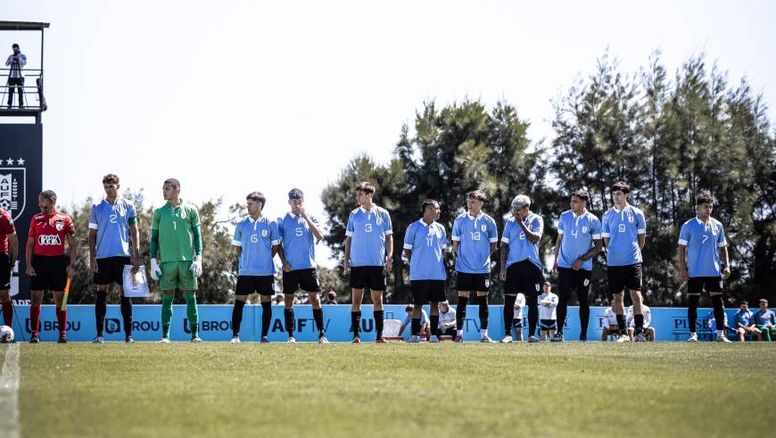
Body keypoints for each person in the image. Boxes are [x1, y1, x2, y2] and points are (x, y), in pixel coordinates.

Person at [88, 174, 140, 343]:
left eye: (111, 186)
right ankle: (99, 335)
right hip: (102, 257)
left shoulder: (128, 205)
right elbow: (92, 235)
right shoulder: (97, 207)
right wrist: (92, 257)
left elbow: (134, 231)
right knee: (101, 293)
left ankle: (128, 335)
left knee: (125, 294)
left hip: (122, 256)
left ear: (118, 186)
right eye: (106, 186)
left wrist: (136, 256)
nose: (108, 189)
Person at [149, 179, 203, 343]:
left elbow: (197, 235)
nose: (164, 192)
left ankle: (195, 335)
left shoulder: (191, 210)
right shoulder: (159, 212)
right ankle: (165, 336)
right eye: (163, 189)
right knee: (167, 298)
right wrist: (153, 261)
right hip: (167, 262)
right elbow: (154, 239)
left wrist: (199, 258)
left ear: (177, 189)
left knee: (190, 298)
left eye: (167, 189)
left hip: (187, 262)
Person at [678, 191, 732, 343]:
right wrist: (683, 269)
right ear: (698, 208)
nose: (708, 209)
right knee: (693, 303)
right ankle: (693, 335)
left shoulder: (718, 225)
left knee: (718, 303)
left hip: (713, 271)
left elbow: (723, 248)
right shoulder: (688, 225)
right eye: (705, 207)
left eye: (710, 206)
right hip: (694, 272)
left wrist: (727, 265)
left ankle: (720, 334)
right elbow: (681, 249)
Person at [343, 182, 393, 343]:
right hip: (358, 264)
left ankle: (379, 336)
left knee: (378, 300)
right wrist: (346, 259)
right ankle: (356, 335)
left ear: (369, 194)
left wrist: (390, 256)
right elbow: (348, 239)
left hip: (377, 264)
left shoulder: (383, 214)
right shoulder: (353, 214)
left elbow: (388, 237)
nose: (357, 197)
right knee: (356, 300)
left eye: (360, 194)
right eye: (357, 194)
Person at [277, 188, 328, 343]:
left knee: (315, 299)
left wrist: (306, 217)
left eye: (299, 202)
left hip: (308, 266)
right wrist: (284, 262)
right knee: (288, 300)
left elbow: (320, 235)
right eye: (294, 202)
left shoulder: (310, 217)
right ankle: (291, 336)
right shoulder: (282, 220)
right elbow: (278, 245)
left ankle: (321, 335)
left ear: (303, 202)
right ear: (289, 202)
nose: (297, 204)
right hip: (290, 268)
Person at [25, 190, 77, 343]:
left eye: (45, 207)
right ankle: (34, 334)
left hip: (57, 263)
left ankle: (62, 334)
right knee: (35, 299)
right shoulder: (36, 219)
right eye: (40, 206)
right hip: (39, 262)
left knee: (61, 300)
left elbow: (73, 245)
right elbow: (29, 245)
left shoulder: (64, 219)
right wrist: (28, 265)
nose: (42, 209)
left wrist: (72, 265)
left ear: (53, 202)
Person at [552, 189, 602, 342]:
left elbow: (598, 247)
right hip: (565, 265)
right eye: (571, 201)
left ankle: (583, 336)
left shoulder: (593, 220)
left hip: (583, 268)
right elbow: (559, 240)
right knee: (562, 299)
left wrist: (582, 260)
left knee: (583, 300)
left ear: (583, 203)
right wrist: (555, 260)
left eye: (575, 201)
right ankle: (559, 333)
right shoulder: (564, 217)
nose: (572, 204)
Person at [230, 192, 279, 344]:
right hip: (246, 272)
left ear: (259, 204)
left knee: (266, 302)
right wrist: (247, 260)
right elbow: (237, 248)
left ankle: (264, 336)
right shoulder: (241, 224)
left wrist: (264, 259)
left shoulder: (271, 223)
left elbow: (276, 246)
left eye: (250, 203)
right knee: (239, 302)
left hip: (266, 272)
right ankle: (235, 336)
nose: (248, 206)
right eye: (248, 203)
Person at [601, 181, 647, 343]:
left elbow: (641, 239)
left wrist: (633, 253)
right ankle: (623, 334)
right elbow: (606, 241)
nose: (616, 197)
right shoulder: (607, 215)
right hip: (614, 263)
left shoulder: (637, 213)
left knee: (636, 295)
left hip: (633, 261)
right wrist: (615, 253)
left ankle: (640, 332)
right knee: (617, 298)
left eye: (619, 194)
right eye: (614, 194)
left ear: (626, 195)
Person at [453, 190, 498, 343]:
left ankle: (484, 335)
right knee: (462, 300)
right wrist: (465, 258)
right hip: (464, 267)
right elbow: (455, 244)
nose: (470, 204)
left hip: (483, 269)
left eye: (473, 201)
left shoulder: (489, 221)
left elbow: (493, 245)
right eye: (468, 201)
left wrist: (482, 258)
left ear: (481, 203)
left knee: (483, 301)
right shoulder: (460, 220)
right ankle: (459, 334)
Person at [403, 199, 448, 343]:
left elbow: (443, 250)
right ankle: (415, 335)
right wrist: (416, 264)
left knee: (434, 304)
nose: (439, 211)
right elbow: (407, 250)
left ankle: (433, 335)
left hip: (437, 274)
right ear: (428, 210)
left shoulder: (440, 228)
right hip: (419, 275)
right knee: (417, 305)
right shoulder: (413, 227)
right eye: (436, 208)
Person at [500, 194, 543, 343]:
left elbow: (535, 239)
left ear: (527, 208)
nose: (516, 212)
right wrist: (503, 267)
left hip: (532, 265)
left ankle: (531, 334)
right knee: (509, 301)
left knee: (532, 301)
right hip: (513, 266)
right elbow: (504, 246)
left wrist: (521, 224)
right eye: (514, 209)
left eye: (518, 209)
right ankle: (507, 334)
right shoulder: (509, 223)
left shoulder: (537, 219)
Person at [0, 207, 18, 329]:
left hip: (1, 258)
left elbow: (14, 241)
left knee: (4, 294)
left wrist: (11, 264)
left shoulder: (4, 216)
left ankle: (9, 330)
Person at [5, 43, 27, 108]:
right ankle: (9, 105)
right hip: (12, 76)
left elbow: (24, 63)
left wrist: (18, 58)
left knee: (20, 91)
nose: (14, 50)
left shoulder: (22, 55)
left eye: (15, 48)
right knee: (10, 91)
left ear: (18, 48)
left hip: (20, 76)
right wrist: (12, 60)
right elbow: (6, 63)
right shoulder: (11, 56)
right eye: (13, 48)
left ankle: (21, 104)